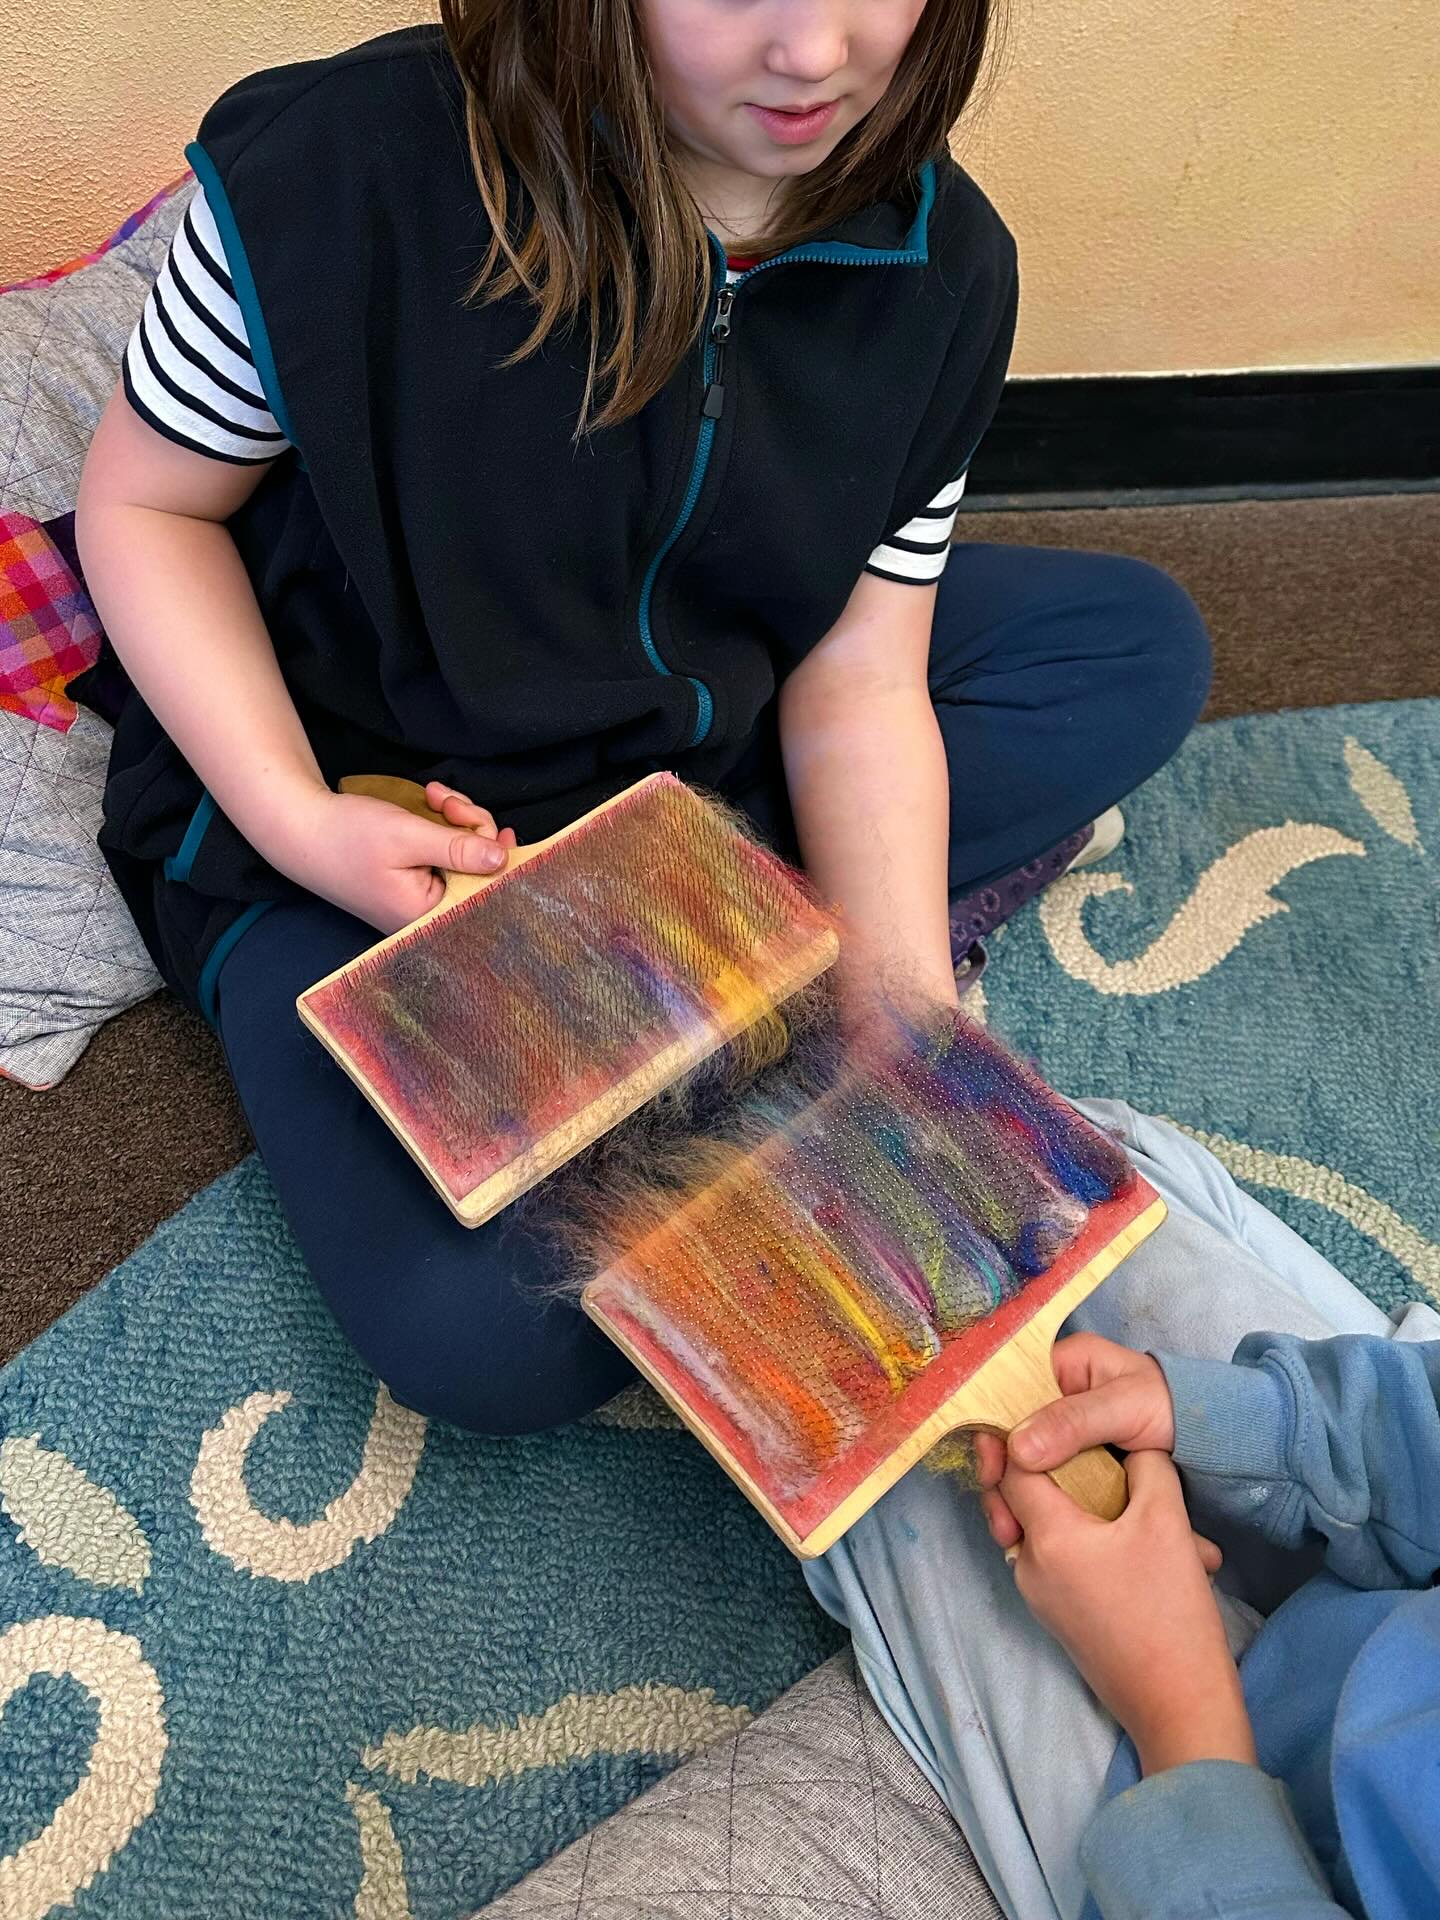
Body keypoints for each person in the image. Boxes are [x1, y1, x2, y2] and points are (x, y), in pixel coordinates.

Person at [74, 4, 1209, 1433]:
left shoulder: (953, 266)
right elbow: (146, 509)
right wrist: (298, 822)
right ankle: (728, 949)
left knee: (1134, 645)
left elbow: (863, 677)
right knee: (482, 1340)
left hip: (690, 752)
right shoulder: (333, 168)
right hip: (367, 815)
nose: (814, 54)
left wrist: (903, 1021)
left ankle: (723, 941)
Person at [805, 1100, 1440, 1920]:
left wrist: (1178, 1710)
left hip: (1198, 1851)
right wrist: (1248, 1419)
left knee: (872, 1426)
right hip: (1391, 1579)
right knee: (1057, 1175)